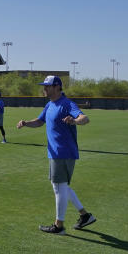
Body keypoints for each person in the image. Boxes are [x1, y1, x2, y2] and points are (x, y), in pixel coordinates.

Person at [17, 75, 96, 234]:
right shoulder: (49, 105)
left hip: (64, 152)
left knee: (59, 188)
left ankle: (58, 226)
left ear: (57, 87)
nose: (44, 89)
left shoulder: (67, 104)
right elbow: (39, 121)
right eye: (44, 86)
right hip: (56, 153)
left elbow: (84, 118)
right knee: (61, 187)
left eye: (47, 86)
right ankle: (85, 215)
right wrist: (26, 123)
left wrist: (74, 121)